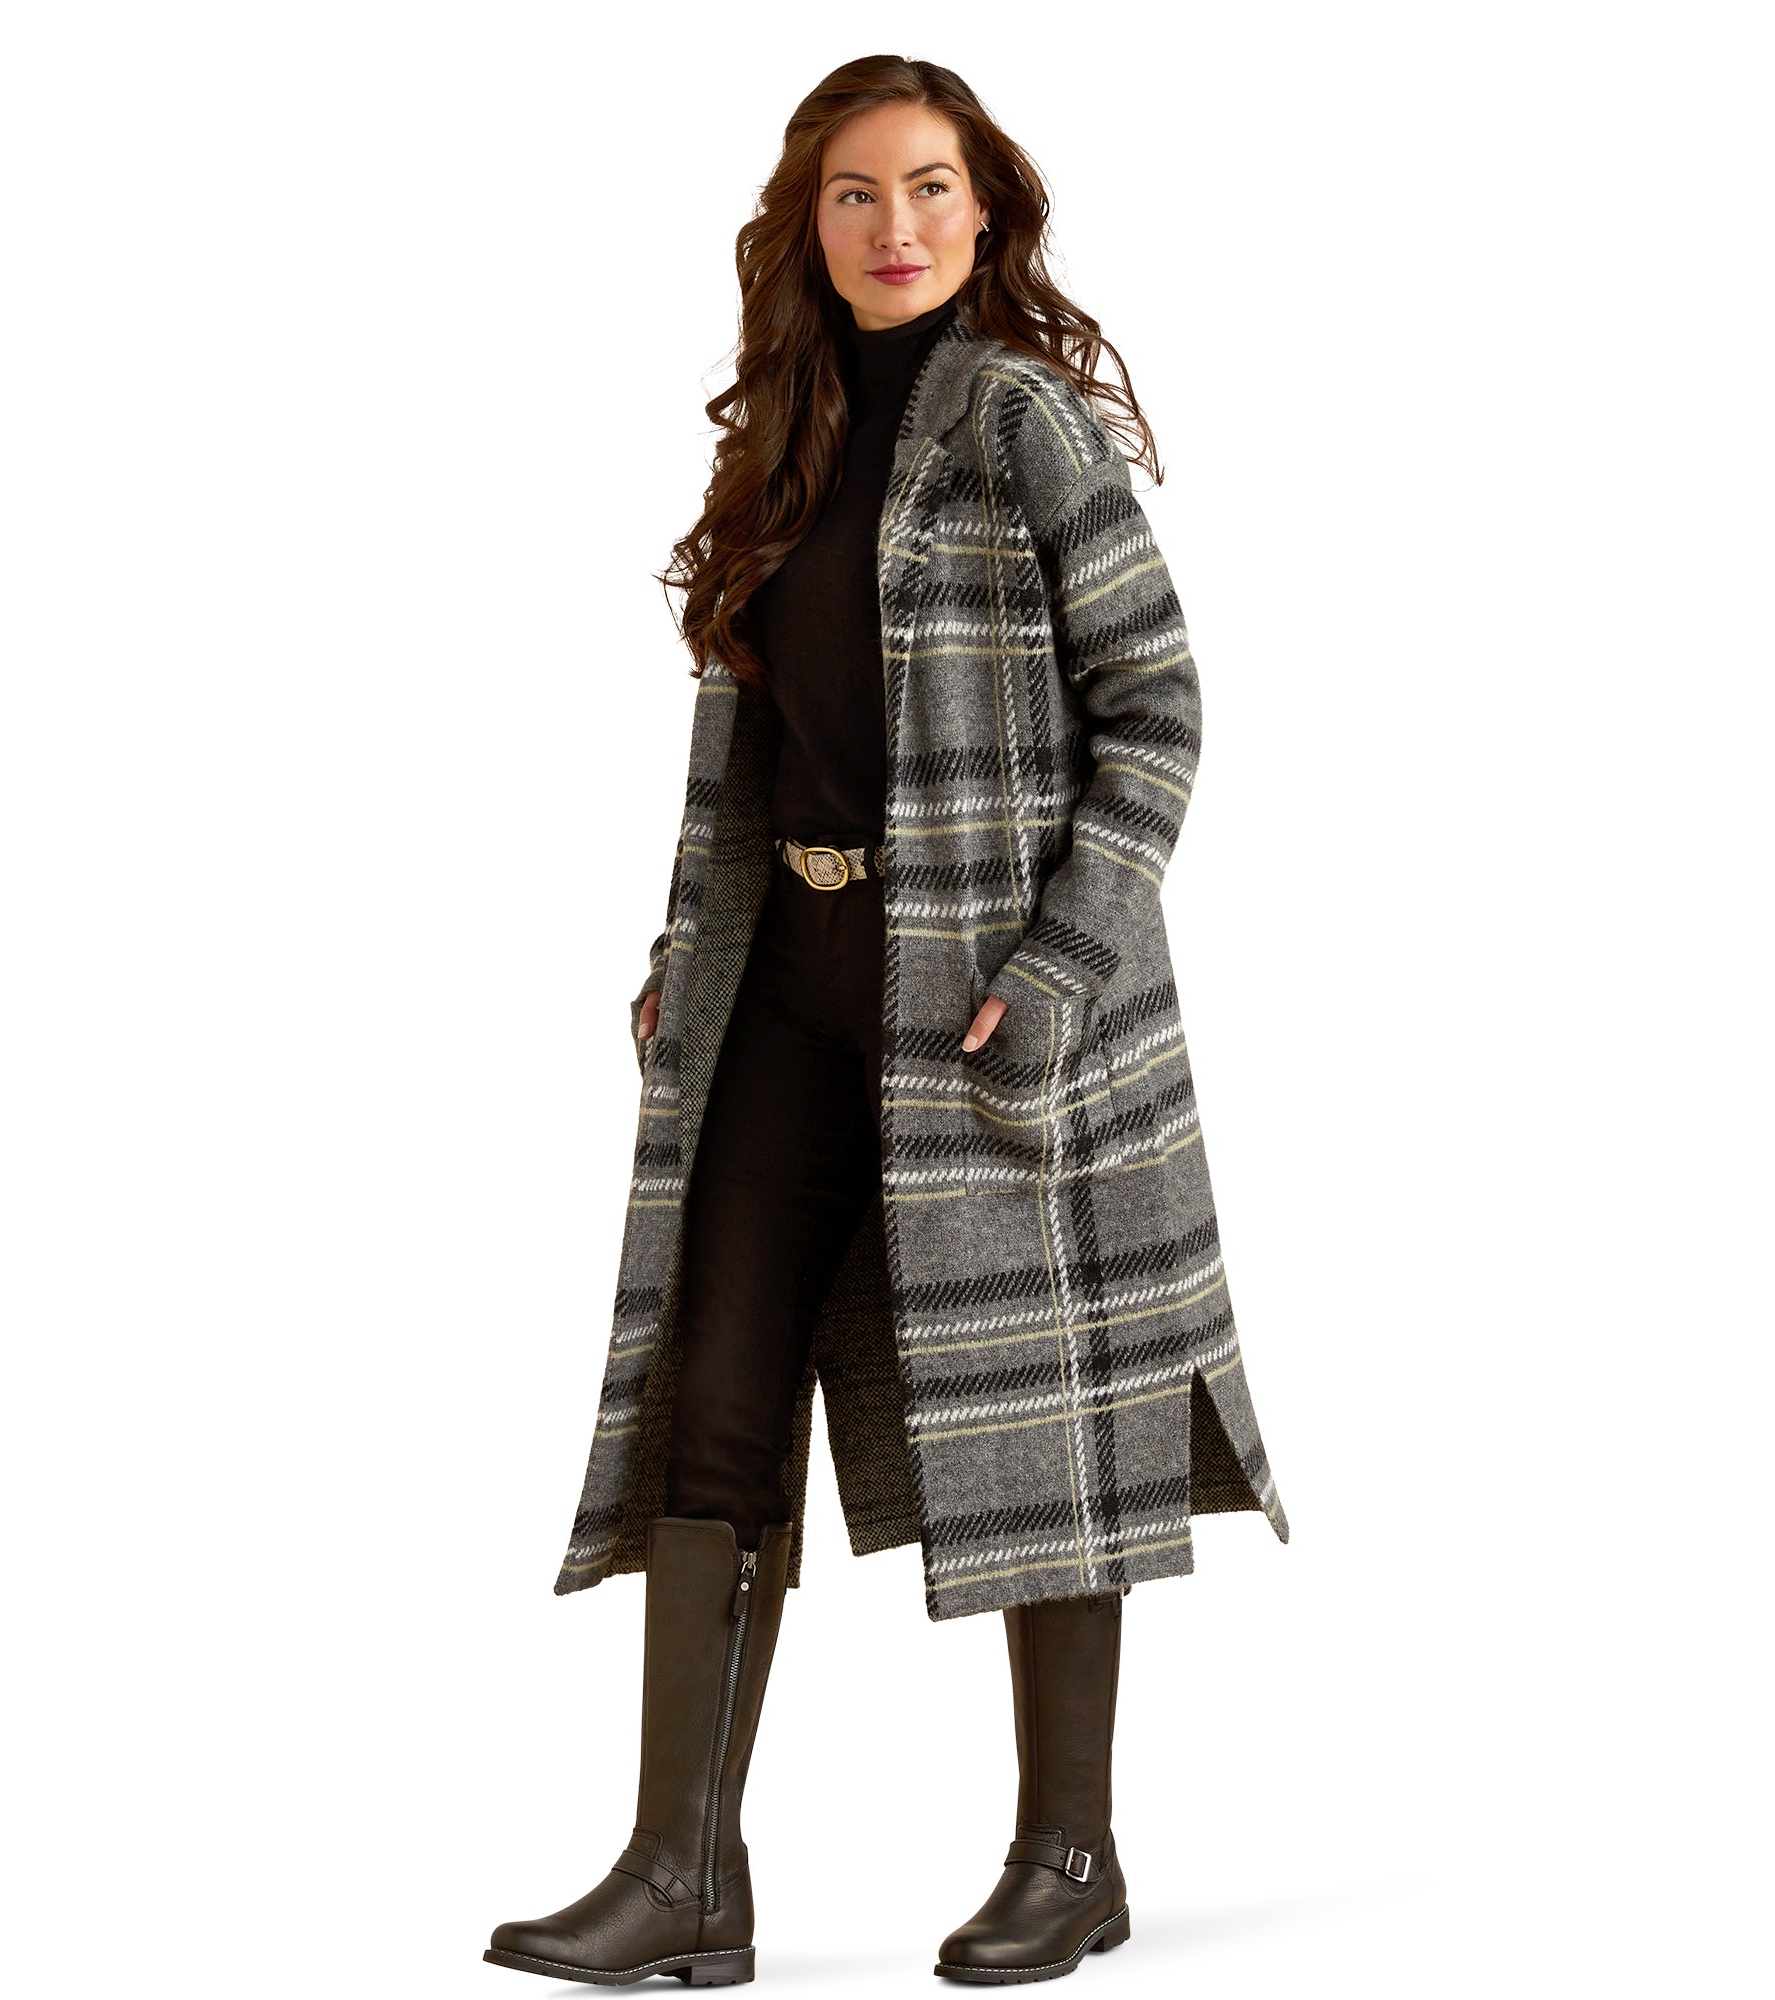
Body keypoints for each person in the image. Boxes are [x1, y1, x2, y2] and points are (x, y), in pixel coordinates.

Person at [485, 54, 1289, 1989]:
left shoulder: (1023, 420)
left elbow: (1159, 714)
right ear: (809, 223)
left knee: (1047, 1416)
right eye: (857, 194)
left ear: (985, 210)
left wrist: (1062, 964)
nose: (896, 225)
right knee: (715, 1394)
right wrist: (689, 948)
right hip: (789, 981)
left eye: (931, 187)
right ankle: (686, 1878)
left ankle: (1070, 1857)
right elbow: (757, 744)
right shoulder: (790, 431)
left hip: (991, 1007)